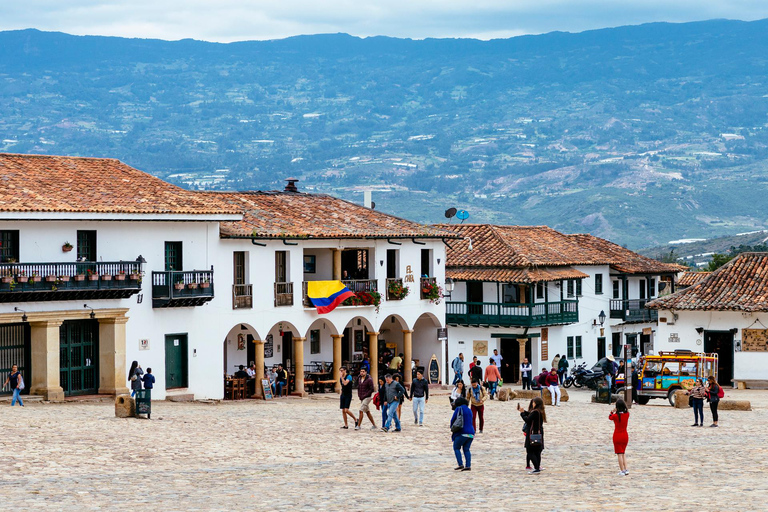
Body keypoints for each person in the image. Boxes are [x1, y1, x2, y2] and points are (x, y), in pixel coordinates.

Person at [522, 396, 546, 474]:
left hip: (532, 433)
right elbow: (530, 414)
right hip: (539, 433)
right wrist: (524, 411)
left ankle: (536, 468)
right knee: (537, 452)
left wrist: (522, 414)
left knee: (530, 451)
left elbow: (528, 420)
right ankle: (537, 467)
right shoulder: (540, 411)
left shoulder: (535, 412)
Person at [450, 396, 474, 471]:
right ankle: (468, 465)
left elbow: (453, 420)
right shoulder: (469, 410)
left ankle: (460, 464)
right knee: (466, 449)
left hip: (462, 432)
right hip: (471, 433)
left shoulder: (459, 409)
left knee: (456, 448)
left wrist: (452, 428)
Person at [609, 398, 630, 476]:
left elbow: (610, 417)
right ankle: (626, 469)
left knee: (619, 454)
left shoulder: (615, 416)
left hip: (617, 435)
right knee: (623, 453)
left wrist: (612, 411)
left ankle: (622, 470)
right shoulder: (627, 414)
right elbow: (626, 412)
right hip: (625, 435)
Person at [517, 399, 535, 469]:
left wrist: (523, 412)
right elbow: (527, 420)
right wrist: (522, 413)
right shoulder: (534, 411)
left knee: (529, 449)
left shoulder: (534, 411)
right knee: (531, 450)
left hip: (529, 431)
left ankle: (529, 465)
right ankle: (535, 465)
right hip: (531, 432)